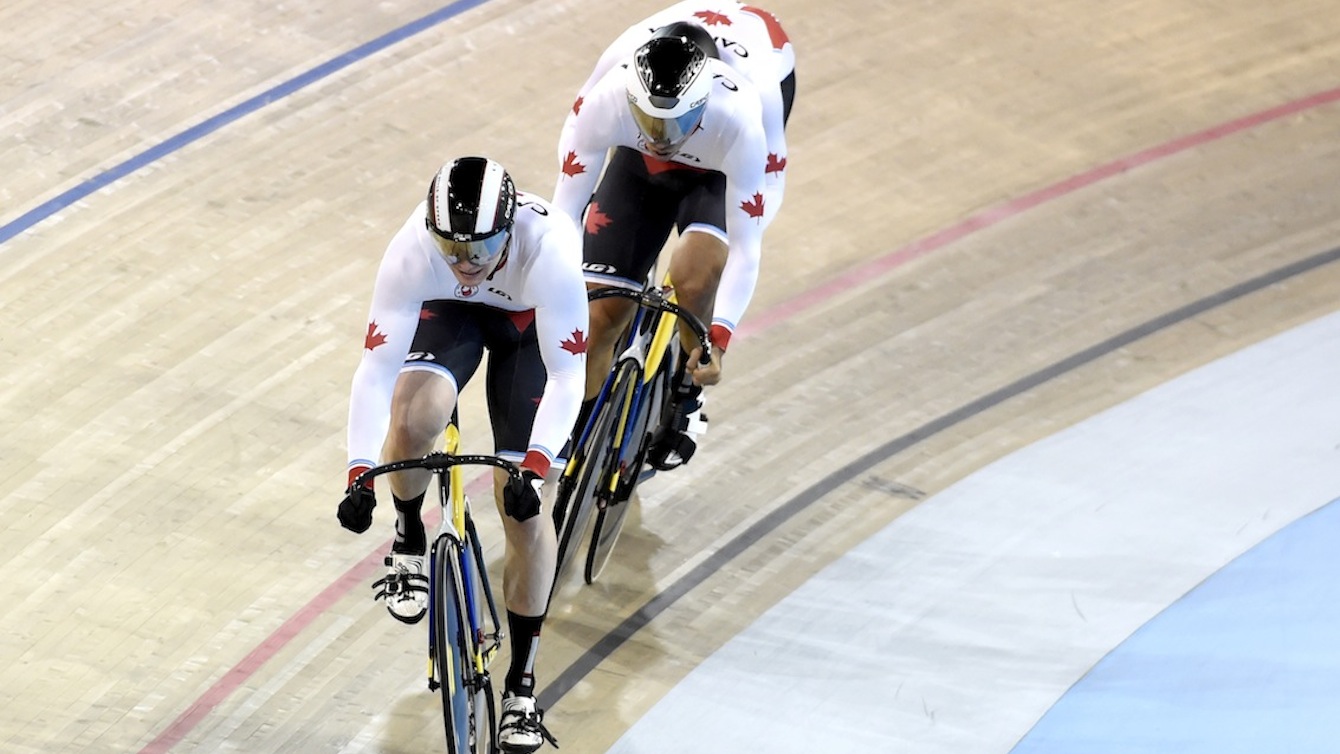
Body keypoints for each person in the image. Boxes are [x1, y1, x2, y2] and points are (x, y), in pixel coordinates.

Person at [338, 156, 584, 753]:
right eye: (450, 246)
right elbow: (375, 372)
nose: (466, 262)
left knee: (525, 511)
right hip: (452, 317)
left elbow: (567, 376)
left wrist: (538, 462)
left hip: (528, 330)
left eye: (480, 247)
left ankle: (521, 687)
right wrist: (358, 472)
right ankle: (407, 539)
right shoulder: (412, 250)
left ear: (509, 227)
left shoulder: (549, 249)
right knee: (415, 416)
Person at [551, 2, 795, 466]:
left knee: (695, 275)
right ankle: (575, 434)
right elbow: (565, 212)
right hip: (638, 165)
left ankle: (686, 392)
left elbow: (748, 241)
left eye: (676, 123)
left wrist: (716, 337)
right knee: (599, 313)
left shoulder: (744, 109)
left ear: (702, 101)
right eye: (651, 122)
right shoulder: (608, 96)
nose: (663, 137)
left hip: (718, 166)